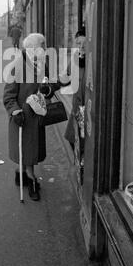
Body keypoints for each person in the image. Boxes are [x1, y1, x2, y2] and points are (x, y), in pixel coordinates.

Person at [3, 33, 60, 201]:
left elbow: (50, 85)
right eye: (43, 46)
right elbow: (8, 96)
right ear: (33, 49)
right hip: (23, 118)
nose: (45, 49)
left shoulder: (43, 63)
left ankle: (21, 174)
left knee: (29, 151)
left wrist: (48, 90)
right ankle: (31, 179)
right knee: (28, 152)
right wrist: (15, 111)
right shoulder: (17, 66)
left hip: (37, 116)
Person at [62, 28, 86, 179]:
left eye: (84, 43)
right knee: (71, 136)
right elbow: (66, 77)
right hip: (77, 108)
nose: (81, 47)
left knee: (85, 140)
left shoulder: (94, 59)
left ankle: (83, 166)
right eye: (78, 43)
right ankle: (80, 162)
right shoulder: (76, 58)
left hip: (88, 109)